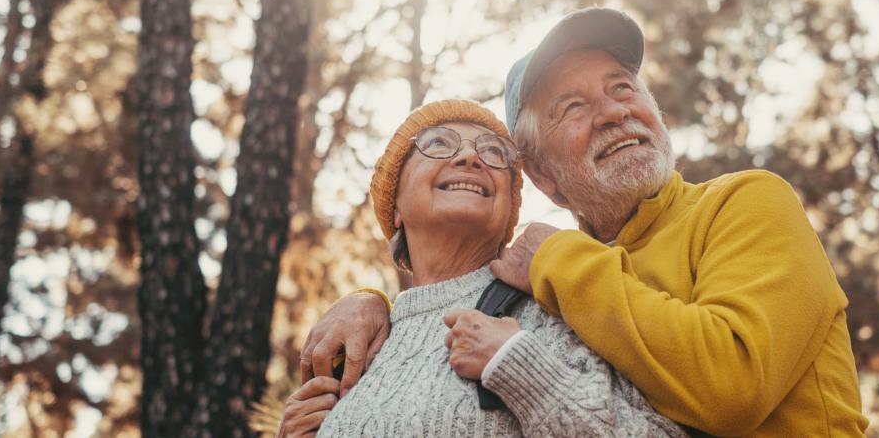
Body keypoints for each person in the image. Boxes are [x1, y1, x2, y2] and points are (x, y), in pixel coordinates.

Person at [302, 8, 870, 436]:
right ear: (545, 177)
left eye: (622, 88)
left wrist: (555, 259)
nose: (614, 111)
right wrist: (373, 303)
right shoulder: (547, 293)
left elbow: (733, 387)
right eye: (572, 107)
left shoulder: (745, 203)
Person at [279, 99, 684, 437]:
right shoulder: (360, 348)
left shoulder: (551, 311)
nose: (471, 157)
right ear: (395, 204)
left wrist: (524, 369)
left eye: (494, 153)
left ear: (509, 207)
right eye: (438, 143)